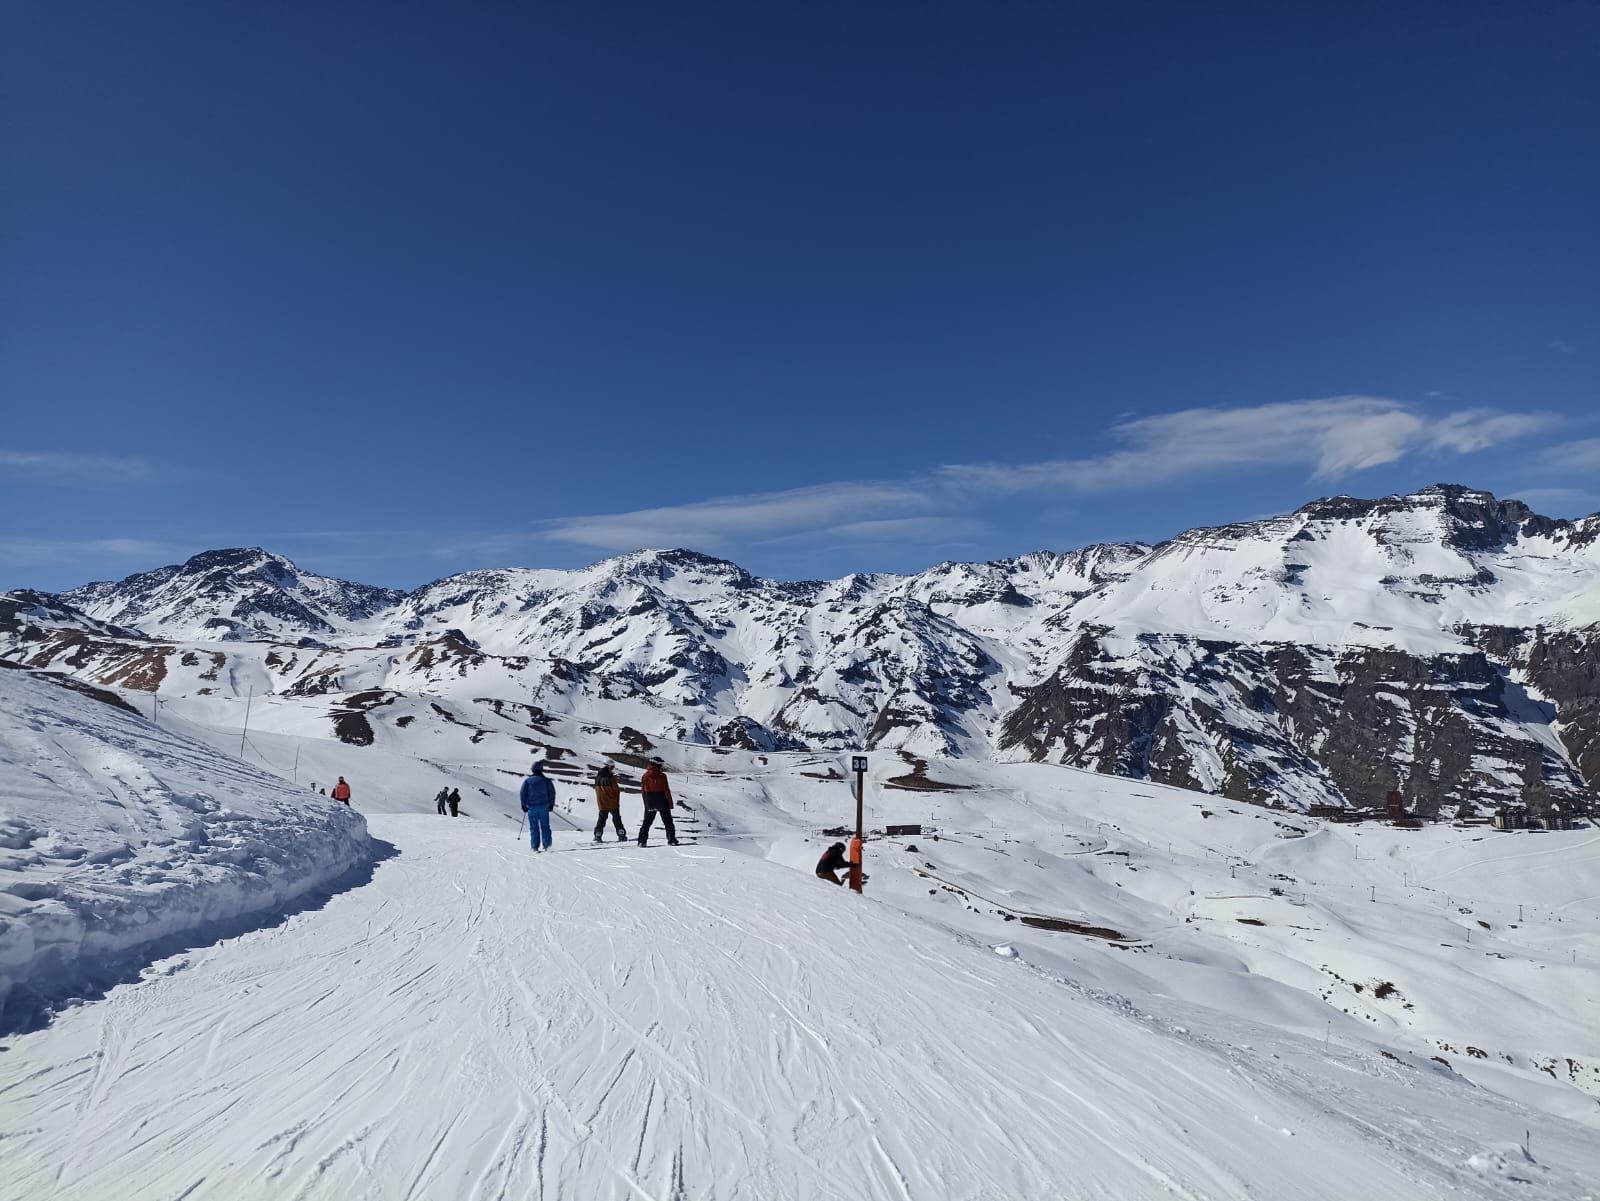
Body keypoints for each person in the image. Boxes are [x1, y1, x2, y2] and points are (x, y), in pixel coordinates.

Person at [637, 757, 679, 847]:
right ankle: (671, 840)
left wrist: (646, 804)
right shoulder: (662, 776)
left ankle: (642, 841)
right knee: (668, 822)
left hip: (650, 800)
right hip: (662, 801)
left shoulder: (645, 776)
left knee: (646, 822)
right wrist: (670, 804)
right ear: (658, 764)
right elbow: (666, 790)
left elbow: (643, 791)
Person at [520, 761, 556, 852]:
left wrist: (523, 805)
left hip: (532, 808)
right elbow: (552, 793)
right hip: (544, 807)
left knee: (534, 827)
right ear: (541, 769)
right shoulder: (546, 781)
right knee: (545, 827)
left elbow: (522, 793)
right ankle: (547, 845)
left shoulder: (527, 781)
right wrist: (551, 804)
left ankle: (534, 846)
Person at [592, 763, 627, 842]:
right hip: (612, 802)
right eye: (612, 767)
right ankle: (621, 835)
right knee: (617, 819)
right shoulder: (611, 777)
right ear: (608, 766)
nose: (612, 769)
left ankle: (598, 835)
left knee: (601, 820)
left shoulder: (597, 778)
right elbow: (616, 789)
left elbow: (597, 789)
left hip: (602, 803)